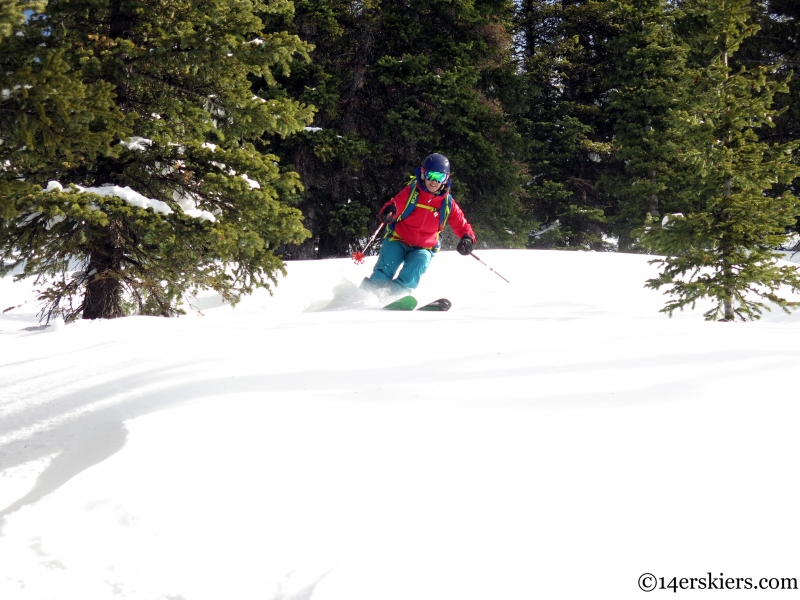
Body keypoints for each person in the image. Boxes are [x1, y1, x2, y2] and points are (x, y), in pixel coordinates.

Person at [361, 153, 476, 298]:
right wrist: (389, 211)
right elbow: (396, 204)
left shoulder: (447, 203)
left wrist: (467, 238)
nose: (434, 181)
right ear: (423, 174)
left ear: (446, 179)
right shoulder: (412, 192)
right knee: (385, 269)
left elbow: (461, 223)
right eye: (431, 176)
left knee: (417, 266)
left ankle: (395, 296)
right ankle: (365, 296)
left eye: (439, 177)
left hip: (424, 247)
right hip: (398, 239)